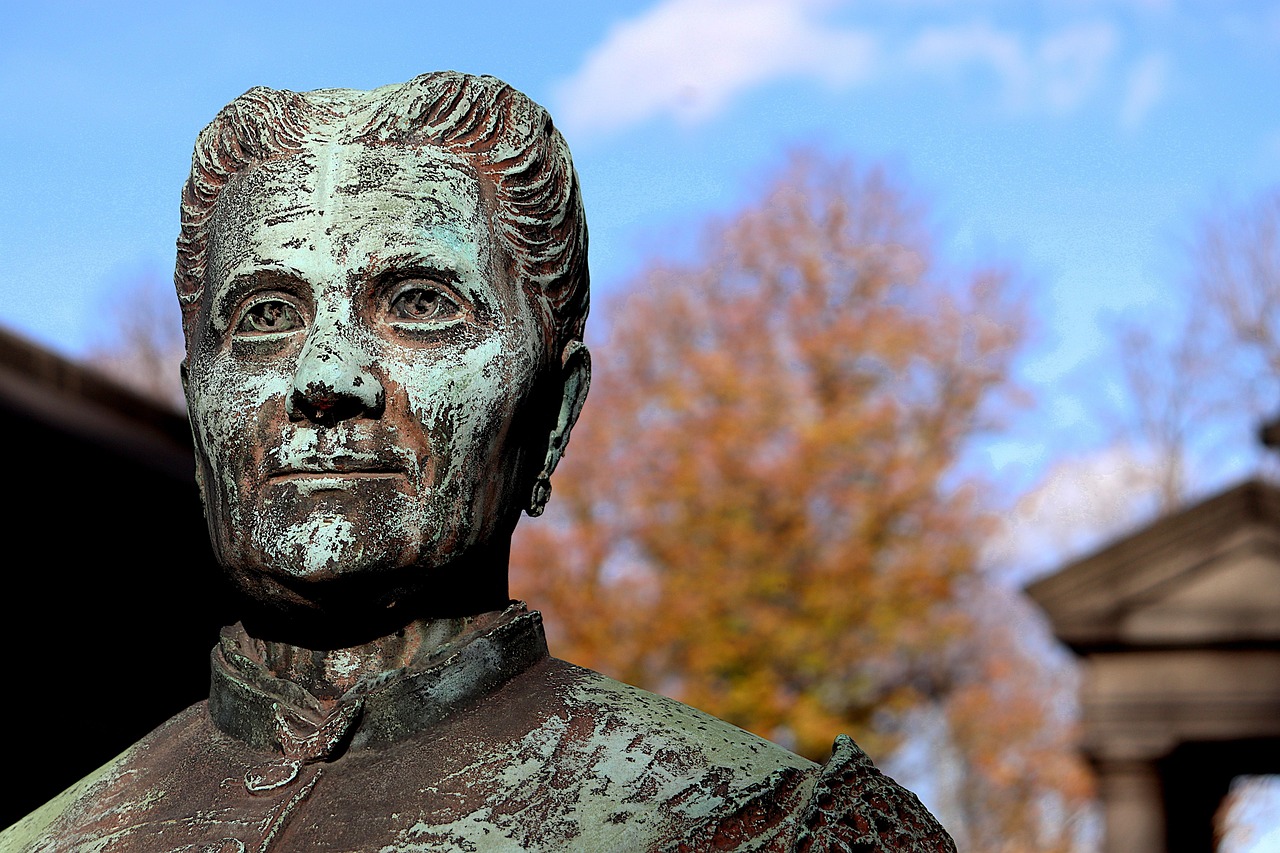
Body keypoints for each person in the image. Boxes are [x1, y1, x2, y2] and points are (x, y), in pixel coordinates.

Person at [0, 72, 954, 852]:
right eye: (265, 315)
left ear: (556, 411)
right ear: (198, 405)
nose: (325, 375)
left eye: (419, 304)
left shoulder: (767, 829)